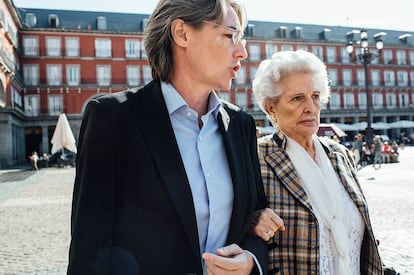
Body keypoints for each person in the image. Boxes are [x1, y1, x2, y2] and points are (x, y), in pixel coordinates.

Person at [67, 0, 268, 274]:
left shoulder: (240, 125)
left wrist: (250, 260)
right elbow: (88, 250)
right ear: (182, 33)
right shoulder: (112, 119)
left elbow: (256, 219)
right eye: (230, 35)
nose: (242, 52)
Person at [250, 50, 382, 274]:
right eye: (297, 98)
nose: (311, 107)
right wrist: (249, 221)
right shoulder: (256, 156)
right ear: (271, 107)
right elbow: (234, 224)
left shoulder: (340, 154)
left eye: (316, 96)